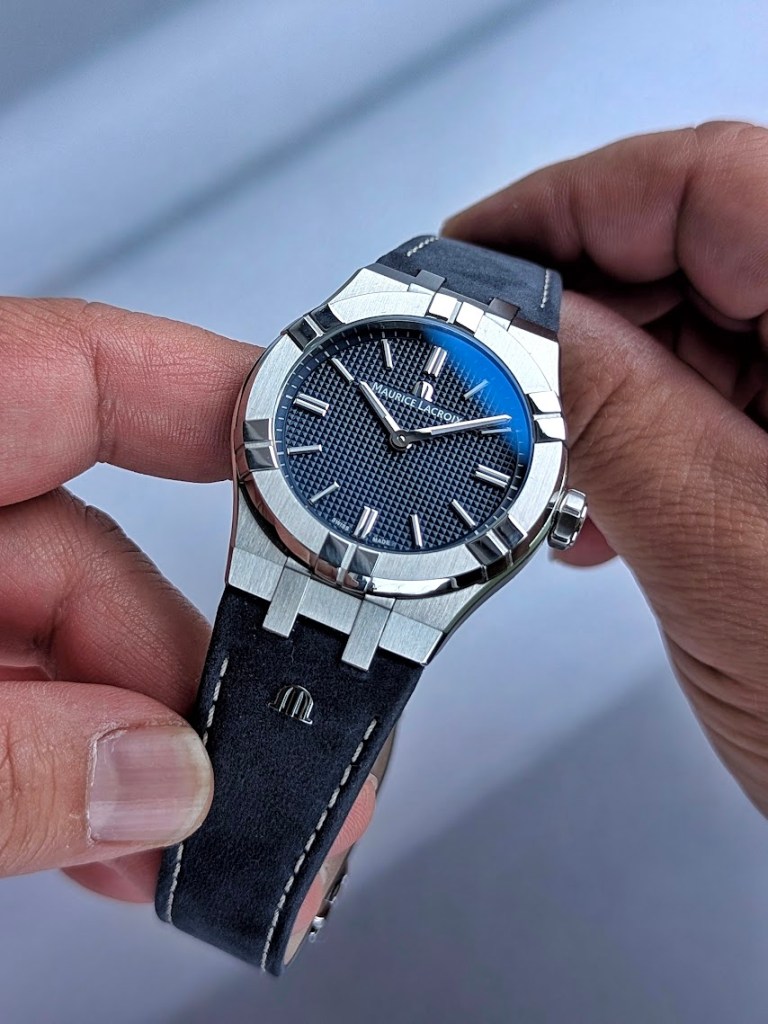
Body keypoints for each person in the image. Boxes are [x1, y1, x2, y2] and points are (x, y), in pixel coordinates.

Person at [1, 121, 766, 935]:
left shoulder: (550, 405)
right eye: (392, 429)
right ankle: (251, 895)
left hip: (374, 573)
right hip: (292, 542)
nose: (401, 439)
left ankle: (253, 896)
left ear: (554, 512)